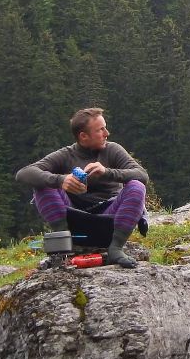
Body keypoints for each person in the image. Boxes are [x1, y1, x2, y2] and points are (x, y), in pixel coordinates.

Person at [16, 107, 148, 269]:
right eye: (101, 129)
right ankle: (62, 248)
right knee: (42, 185)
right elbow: (23, 173)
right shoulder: (66, 154)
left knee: (137, 186)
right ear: (83, 136)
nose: (107, 133)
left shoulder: (113, 149)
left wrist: (107, 172)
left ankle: (116, 249)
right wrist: (61, 180)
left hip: (110, 220)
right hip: (73, 222)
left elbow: (142, 175)